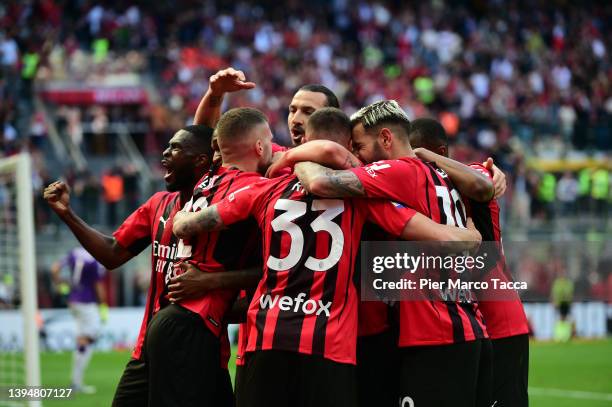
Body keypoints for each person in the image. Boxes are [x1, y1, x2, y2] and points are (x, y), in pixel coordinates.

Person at [172, 107, 482, 407]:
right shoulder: (363, 201)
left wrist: (184, 213)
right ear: (348, 145)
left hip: (266, 338)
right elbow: (439, 235)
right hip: (329, 344)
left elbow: (188, 224)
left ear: (304, 141)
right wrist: (471, 234)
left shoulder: (263, 190)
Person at [292, 101, 490, 407]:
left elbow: (321, 182)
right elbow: (482, 187)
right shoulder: (441, 174)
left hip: (436, 332)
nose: (355, 156)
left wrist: (294, 158)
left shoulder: (399, 171)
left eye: (359, 146)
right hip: (462, 323)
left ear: (386, 139)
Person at [44, 124, 214, 407]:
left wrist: (210, 282)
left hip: (196, 352)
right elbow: (112, 254)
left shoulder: (226, 208)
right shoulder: (159, 203)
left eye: (176, 148)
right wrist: (67, 214)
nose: (164, 153)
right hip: (147, 350)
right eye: (167, 145)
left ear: (201, 161)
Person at [408, 117, 530, 407]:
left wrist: (427, 157)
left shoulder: (470, 174)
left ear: (439, 152)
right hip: (467, 326)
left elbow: (484, 180)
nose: (412, 163)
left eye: (417, 153)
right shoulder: (422, 189)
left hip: (499, 320)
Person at [51, 247, 108, 394]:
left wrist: (61, 286)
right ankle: (76, 382)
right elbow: (98, 285)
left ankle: (76, 381)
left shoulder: (74, 253)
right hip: (87, 303)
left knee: (83, 338)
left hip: (73, 300)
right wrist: (103, 306)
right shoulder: (94, 260)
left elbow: (55, 268)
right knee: (89, 337)